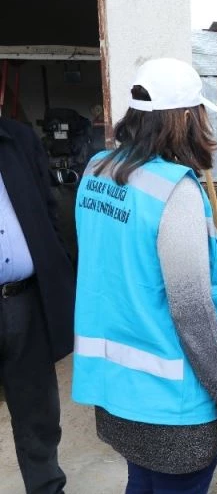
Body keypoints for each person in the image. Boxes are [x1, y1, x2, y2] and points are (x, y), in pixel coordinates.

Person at [71, 57, 217, 493]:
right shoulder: (175, 191)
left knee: (142, 482)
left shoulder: (96, 171)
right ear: (186, 117)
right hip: (175, 402)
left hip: (116, 389)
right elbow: (191, 312)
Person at [0, 116, 75, 493]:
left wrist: (58, 263)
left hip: (24, 300)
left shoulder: (16, 138)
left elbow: (48, 205)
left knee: (37, 412)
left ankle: (47, 488)